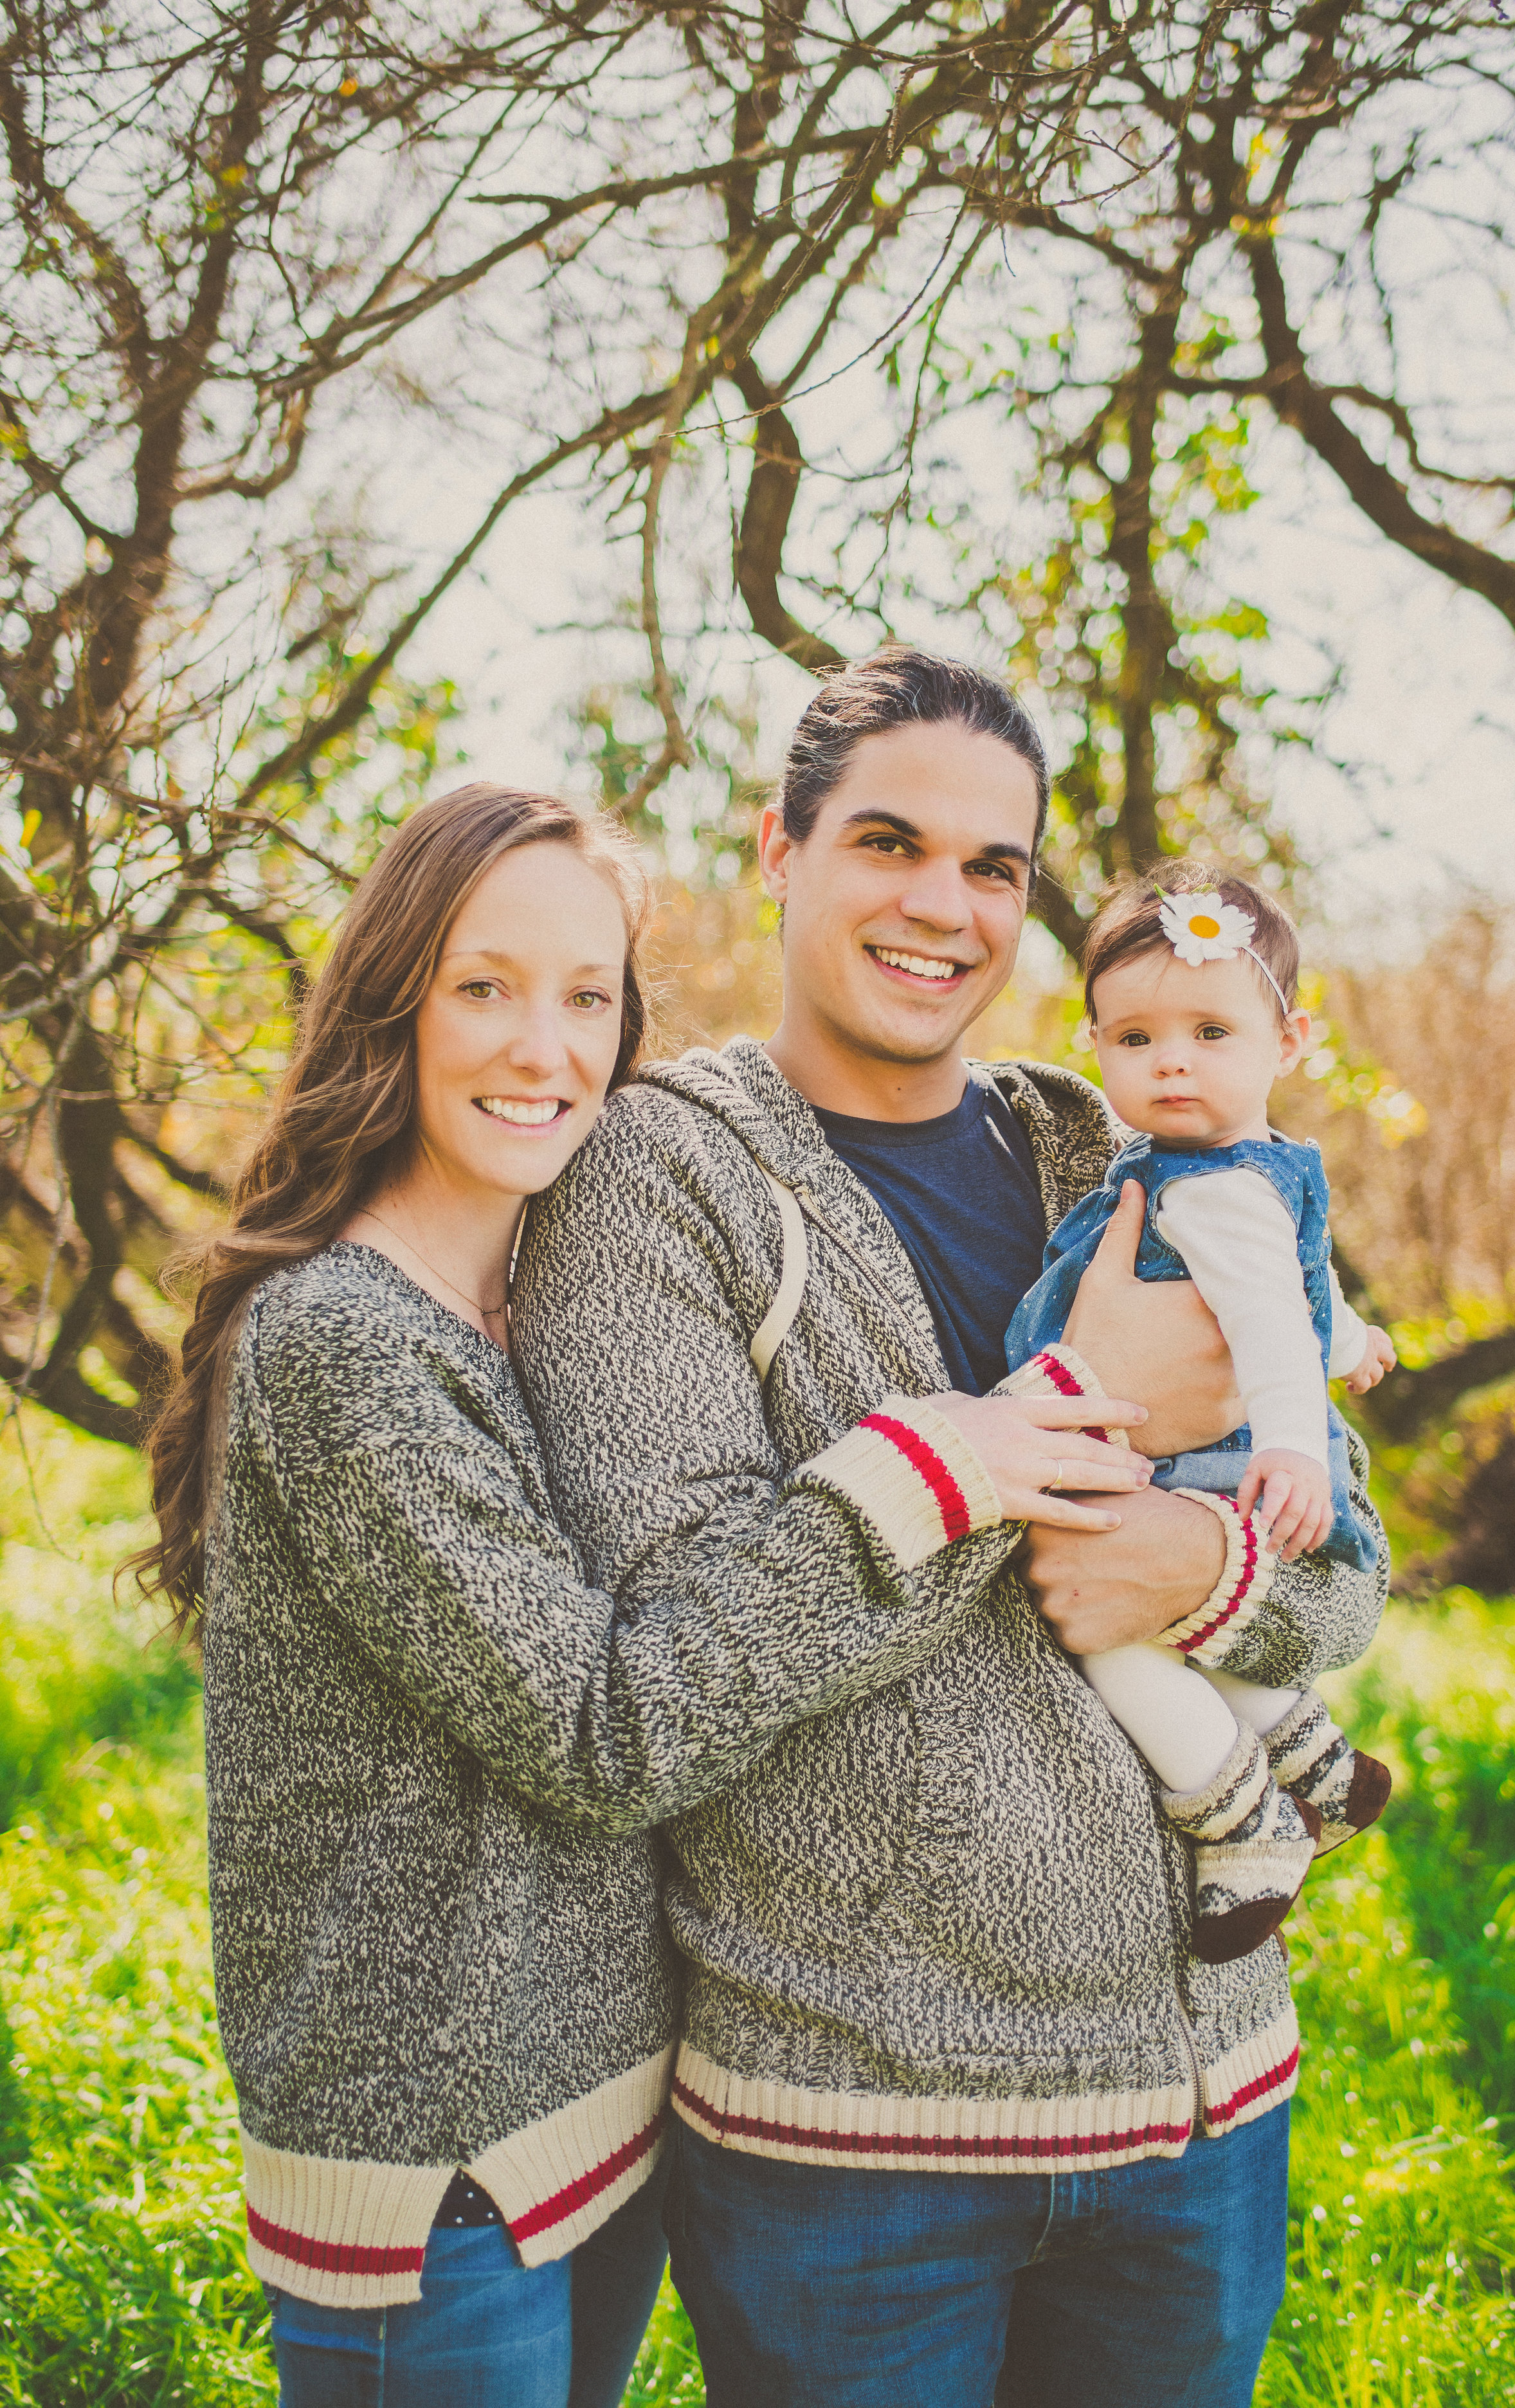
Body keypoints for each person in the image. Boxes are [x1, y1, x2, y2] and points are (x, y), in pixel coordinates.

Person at [129, 782, 1118, 2408]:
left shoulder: (526, 1304)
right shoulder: (345, 1343)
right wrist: (925, 1473)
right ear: (392, 1001)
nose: (547, 1047)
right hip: (434, 2182)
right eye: (485, 986)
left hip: (600, 2132)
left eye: (589, 996)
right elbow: (606, 1729)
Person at [513, 653, 1391, 2408]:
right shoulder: (650, 1179)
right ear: (779, 849)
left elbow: (1339, 1577)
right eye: (890, 842)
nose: (943, 905)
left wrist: (1196, 1564)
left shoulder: (1124, 1147)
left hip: (1199, 2111)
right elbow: (671, 1676)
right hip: (854, 2143)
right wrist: (1049, 1431)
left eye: (994, 868)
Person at [1006, 864, 1397, 1966]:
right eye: (1134, 1039)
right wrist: (1355, 1341)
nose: (1170, 1058)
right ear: (1095, 1046)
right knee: (1187, 1626)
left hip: (1210, 1469)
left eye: (1210, 1030)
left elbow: (1269, 1316)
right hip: (1214, 1457)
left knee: (1118, 1643)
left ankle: (1243, 1821)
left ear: (1290, 1039)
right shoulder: (1233, 1170)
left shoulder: (1210, 1185)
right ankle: (1312, 1753)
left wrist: (1289, 1439)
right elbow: (1297, 1289)